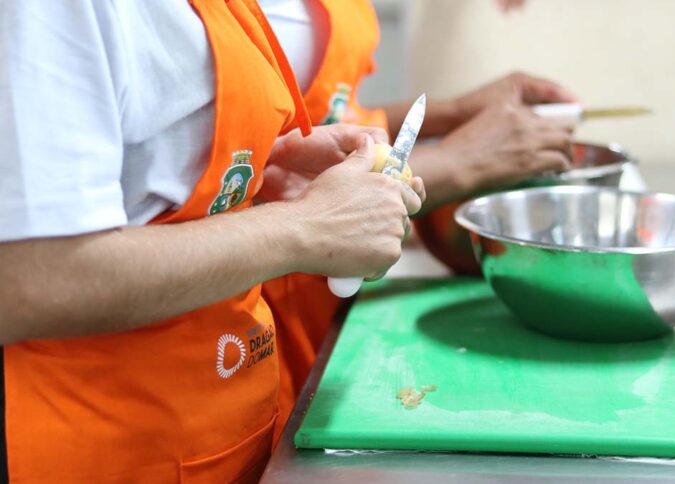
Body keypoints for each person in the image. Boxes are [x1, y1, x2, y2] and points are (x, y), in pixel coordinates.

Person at [0, 1, 424, 482]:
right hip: (106, 449)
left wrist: (262, 173)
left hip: (223, 431)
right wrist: (304, 226)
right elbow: (34, 279)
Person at [259, 0, 579, 437]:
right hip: (245, 331)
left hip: (314, 317)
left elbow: (325, 122)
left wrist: (455, 112)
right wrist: (459, 160)